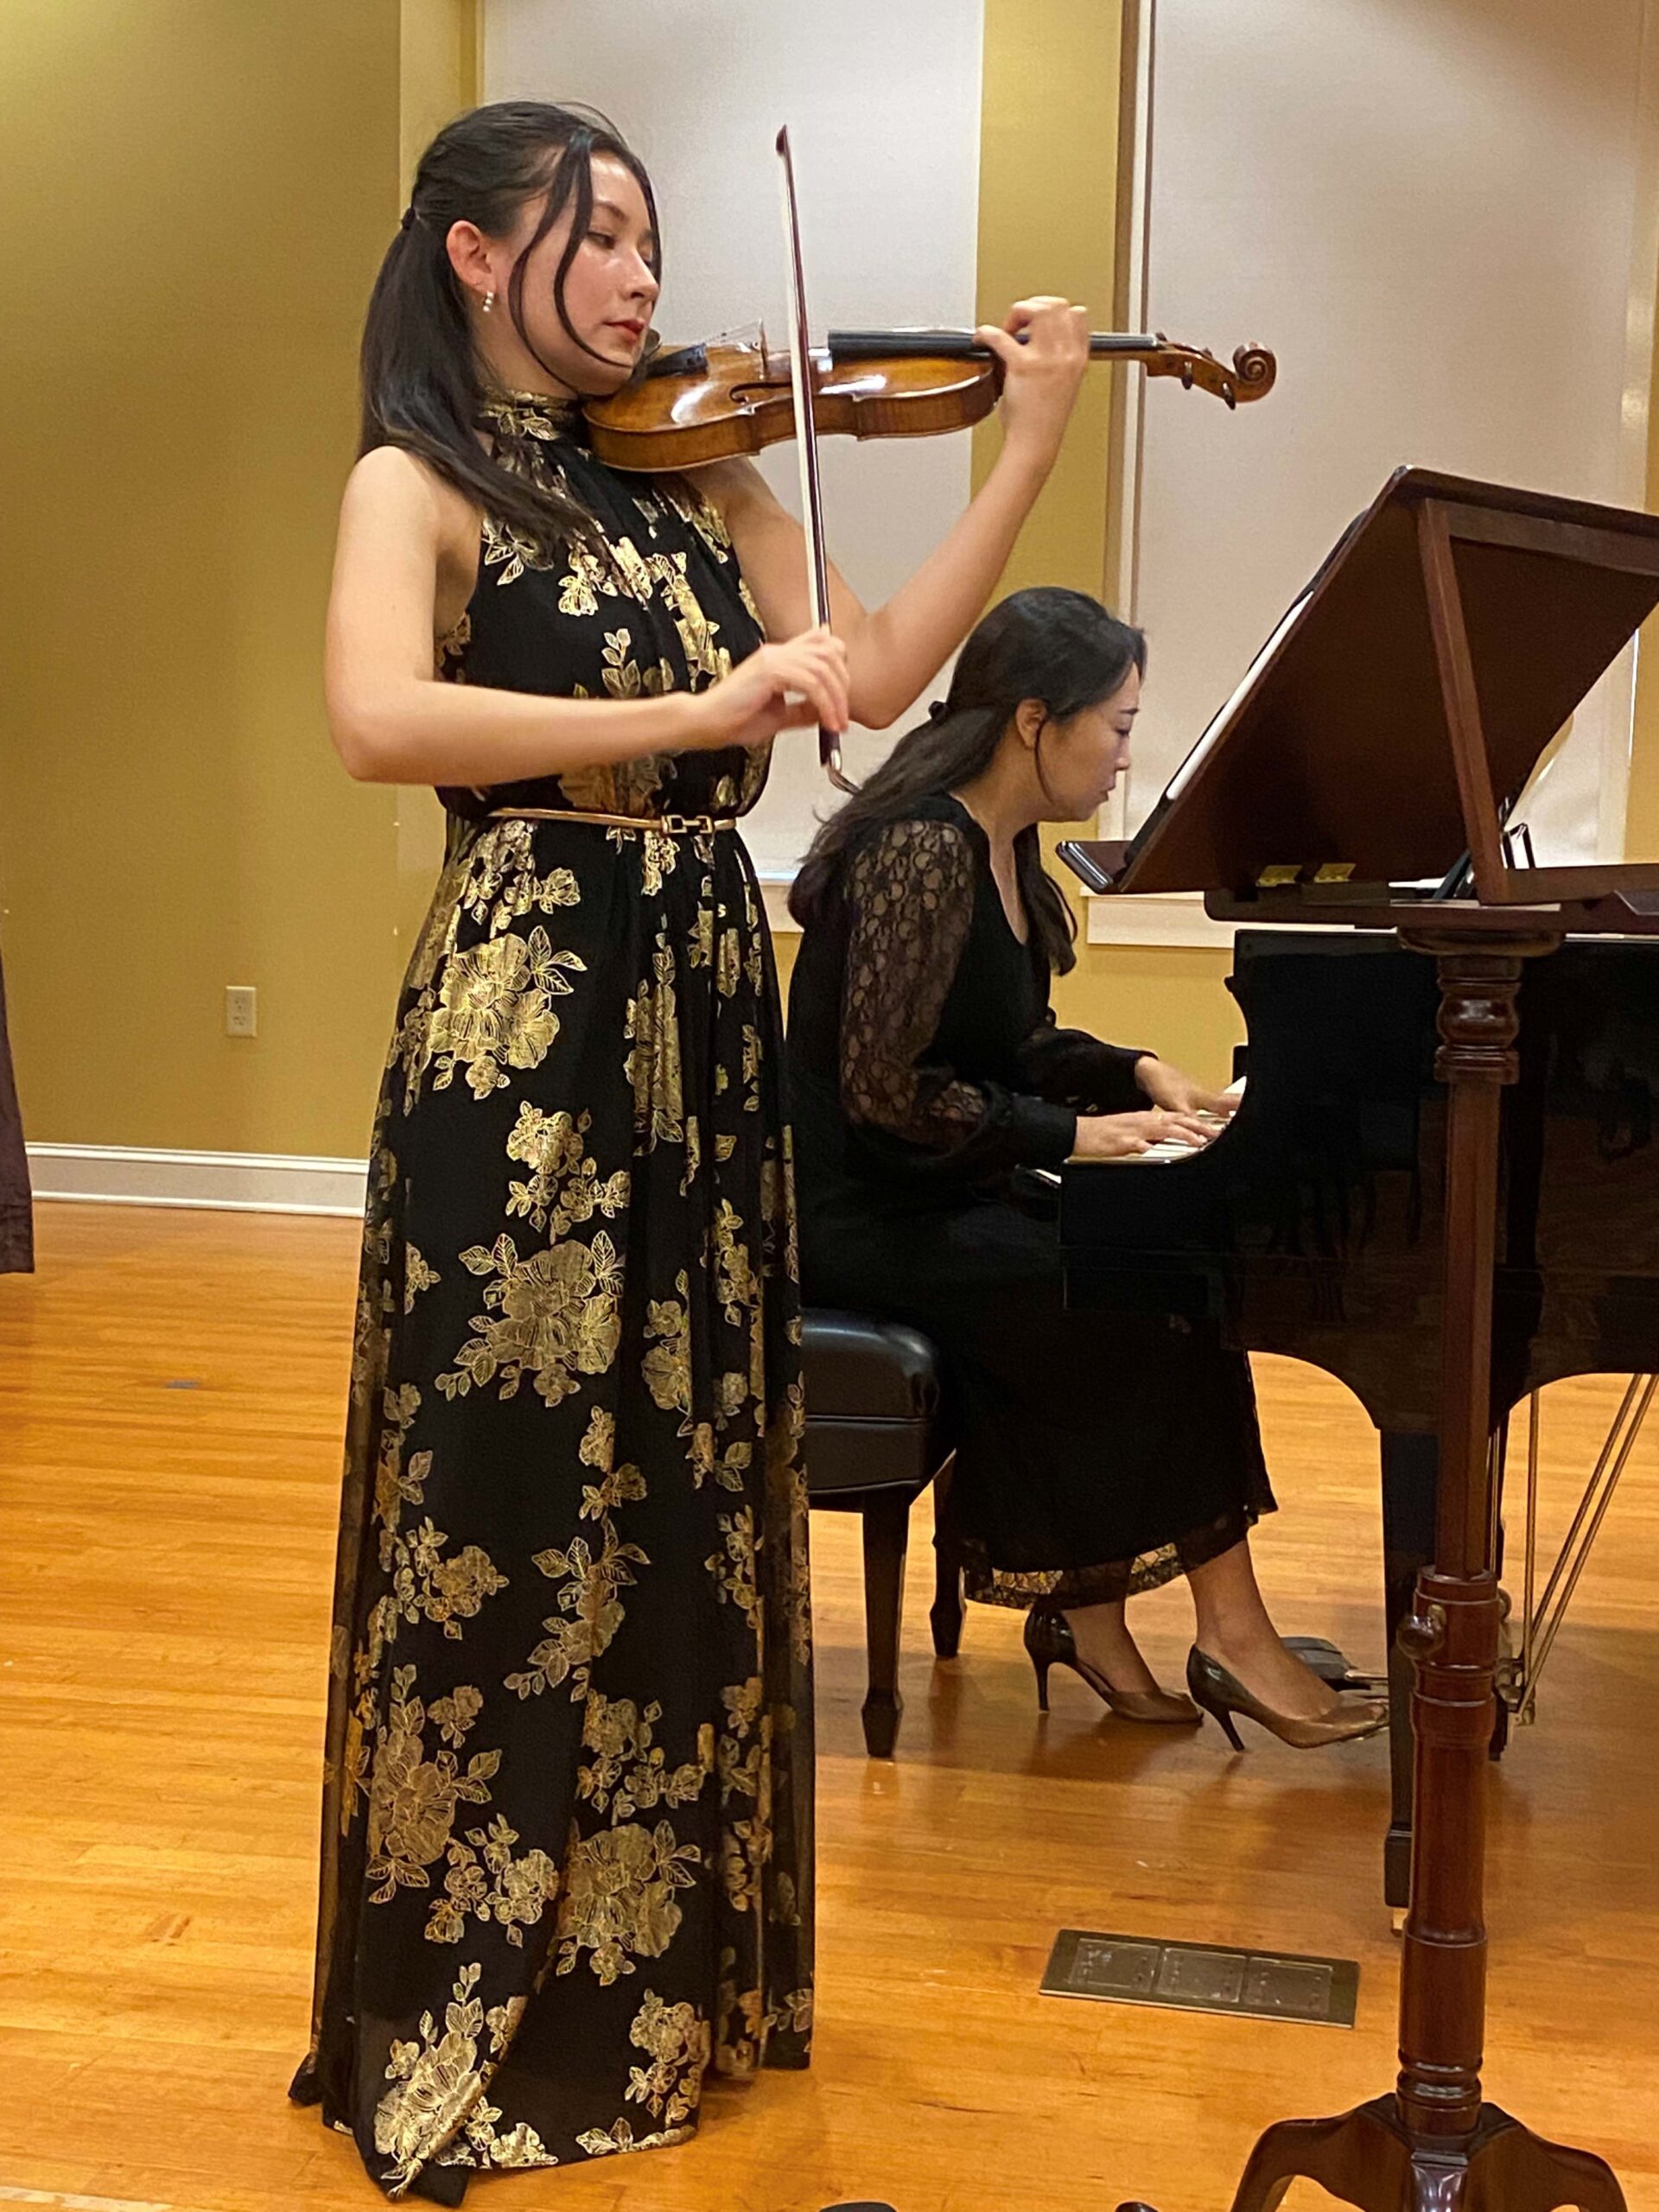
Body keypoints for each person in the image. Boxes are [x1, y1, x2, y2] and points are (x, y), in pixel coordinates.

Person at [291, 99, 1094, 2199]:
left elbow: (883, 673)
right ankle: (475, 1984)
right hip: (530, 995)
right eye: (605, 237)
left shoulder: (697, 465)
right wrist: (698, 710)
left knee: (676, 1480)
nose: (650, 280)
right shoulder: (419, 478)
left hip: (697, 1007)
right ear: (477, 253)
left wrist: (1021, 444)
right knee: (509, 1486)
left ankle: (662, 1970)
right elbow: (381, 717)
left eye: (655, 240)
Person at [786, 588, 1389, 1751]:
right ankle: (1227, 1637)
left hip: (936, 1188)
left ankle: (1096, 1616)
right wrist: (1069, 1138)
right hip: (861, 1215)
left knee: (1160, 1276)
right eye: (1114, 727)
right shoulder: (920, 852)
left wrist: (1141, 1072)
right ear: (1031, 721)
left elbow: (1005, 1051)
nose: (1125, 756)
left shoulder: (998, 848)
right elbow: (885, 1090)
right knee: (1136, 1300)